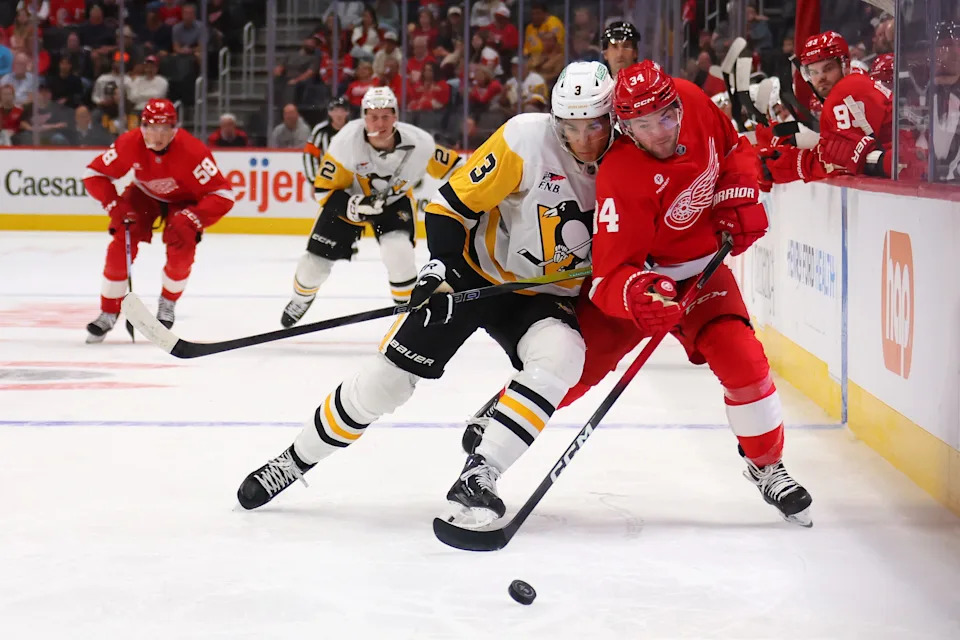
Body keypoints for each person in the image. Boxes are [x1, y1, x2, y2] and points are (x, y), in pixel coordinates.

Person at [235, 62, 616, 515]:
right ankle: (293, 461)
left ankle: (482, 472)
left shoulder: (632, 153)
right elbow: (448, 206)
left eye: (594, 124)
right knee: (386, 383)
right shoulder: (526, 139)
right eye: (571, 126)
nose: (585, 138)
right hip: (477, 272)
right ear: (555, 119)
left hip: (546, 292)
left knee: (564, 354)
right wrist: (440, 268)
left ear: (612, 117)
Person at [583, 60, 812, 525]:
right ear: (624, 128)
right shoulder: (620, 171)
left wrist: (739, 193)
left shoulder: (694, 99)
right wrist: (637, 295)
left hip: (703, 272)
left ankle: (766, 465)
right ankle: (496, 429)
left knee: (744, 360)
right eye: (644, 125)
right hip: (648, 283)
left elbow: (735, 151)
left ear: (676, 101)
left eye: (666, 115)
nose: (660, 132)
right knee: (570, 371)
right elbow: (608, 277)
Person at [278, 86, 462, 327]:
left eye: (386, 116)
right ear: (364, 117)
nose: (380, 124)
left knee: (399, 254)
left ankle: (407, 318)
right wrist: (356, 205)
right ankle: (301, 298)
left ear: (396, 117)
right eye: (373, 117)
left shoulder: (420, 144)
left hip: (392, 202)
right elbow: (322, 190)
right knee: (313, 267)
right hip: (348, 200)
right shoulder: (345, 143)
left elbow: (458, 170)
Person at [82, 98, 235, 343]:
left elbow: (223, 194)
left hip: (184, 200)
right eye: (152, 127)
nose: (158, 135)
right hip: (144, 194)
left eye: (165, 129)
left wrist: (193, 216)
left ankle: (168, 302)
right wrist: (116, 206)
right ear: (142, 127)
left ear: (175, 129)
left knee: (182, 239)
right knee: (123, 237)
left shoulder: (192, 151)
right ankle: (108, 311)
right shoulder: (129, 143)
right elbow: (94, 174)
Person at [760, 31, 894, 184]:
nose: (821, 77)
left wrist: (786, 166)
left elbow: (843, 160)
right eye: (814, 72)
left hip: (903, 168)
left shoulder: (845, 91)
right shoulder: (857, 81)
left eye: (828, 68)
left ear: (845, 64)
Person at [302, 96, 351, 183]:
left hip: (352, 182)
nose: (339, 114)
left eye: (342, 110)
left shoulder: (354, 130)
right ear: (329, 112)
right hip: (326, 182)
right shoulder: (321, 131)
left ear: (347, 112)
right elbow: (309, 154)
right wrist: (314, 181)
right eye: (335, 110)